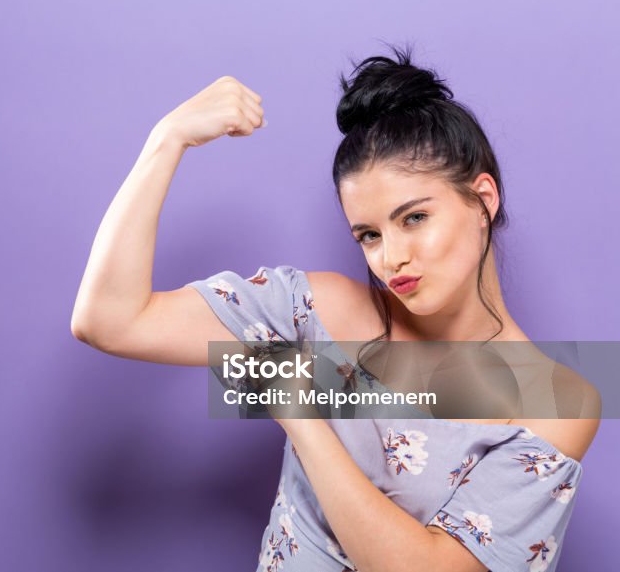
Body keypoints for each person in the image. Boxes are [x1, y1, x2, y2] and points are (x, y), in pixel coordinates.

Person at [70, 43, 600, 572]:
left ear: (483, 199)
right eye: (369, 235)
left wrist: (302, 420)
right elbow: (109, 321)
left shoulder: (556, 402)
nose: (392, 258)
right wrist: (168, 139)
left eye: (414, 218)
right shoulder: (317, 316)